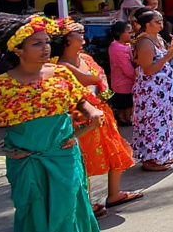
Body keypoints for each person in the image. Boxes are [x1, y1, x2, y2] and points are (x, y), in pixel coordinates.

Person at [0, 16, 107, 232]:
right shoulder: (2, 84)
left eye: (47, 43)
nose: (46, 49)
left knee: (67, 206)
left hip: (62, 154)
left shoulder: (61, 73)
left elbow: (81, 102)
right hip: (25, 159)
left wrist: (92, 112)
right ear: (17, 50)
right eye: (37, 44)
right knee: (31, 208)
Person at [50, 19, 142, 211]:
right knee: (84, 158)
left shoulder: (86, 58)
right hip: (81, 116)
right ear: (66, 39)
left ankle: (114, 193)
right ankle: (86, 202)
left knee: (115, 149)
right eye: (78, 32)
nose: (83, 36)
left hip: (101, 110)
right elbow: (90, 78)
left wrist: (104, 87)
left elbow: (101, 76)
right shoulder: (61, 66)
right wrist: (99, 82)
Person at [131, 11, 173, 172]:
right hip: (151, 90)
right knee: (153, 121)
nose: (161, 25)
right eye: (157, 22)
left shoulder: (159, 38)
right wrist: (169, 54)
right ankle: (151, 158)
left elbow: (162, 60)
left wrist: (172, 49)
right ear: (147, 24)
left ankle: (161, 154)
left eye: (161, 21)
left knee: (165, 120)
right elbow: (148, 69)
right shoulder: (144, 42)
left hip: (163, 88)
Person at [106, 20, 135, 125]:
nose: (131, 34)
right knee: (125, 104)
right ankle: (124, 119)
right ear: (119, 34)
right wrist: (136, 77)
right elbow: (126, 68)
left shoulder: (122, 45)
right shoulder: (118, 48)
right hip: (123, 83)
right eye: (128, 32)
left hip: (122, 82)